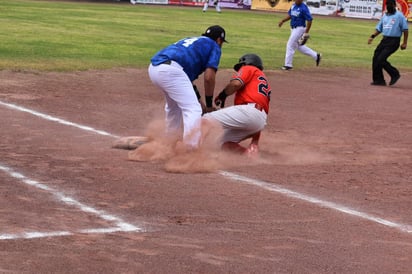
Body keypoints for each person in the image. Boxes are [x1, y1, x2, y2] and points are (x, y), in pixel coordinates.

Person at [148, 25, 227, 149]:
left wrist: (203, 105)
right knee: (193, 109)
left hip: (155, 68)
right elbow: (209, 77)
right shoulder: (214, 46)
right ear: (219, 40)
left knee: (174, 107)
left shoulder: (193, 41)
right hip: (171, 71)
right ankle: (191, 149)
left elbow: (187, 85)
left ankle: (169, 142)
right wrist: (209, 104)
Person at [202, 54, 271, 156]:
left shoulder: (249, 68)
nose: (239, 70)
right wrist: (254, 142)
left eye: (241, 67)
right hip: (258, 121)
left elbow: (236, 84)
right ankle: (248, 153)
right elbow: (256, 118)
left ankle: (190, 151)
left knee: (205, 120)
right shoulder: (260, 81)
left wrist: (222, 95)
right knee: (221, 144)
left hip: (249, 112)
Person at [367, 0, 408, 86]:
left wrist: (404, 43)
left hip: (394, 41)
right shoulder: (385, 16)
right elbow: (379, 29)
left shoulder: (399, 16)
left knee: (381, 59)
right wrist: (372, 36)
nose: (389, 6)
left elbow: (405, 30)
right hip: (384, 40)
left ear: (394, 5)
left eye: (390, 4)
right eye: (387, 5)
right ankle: (379, 80)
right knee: (375, 57)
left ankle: (395, 74)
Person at [278, 0, 321, 70]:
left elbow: (309, 20)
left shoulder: (304, 8)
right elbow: (290, 15)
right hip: (293, 28)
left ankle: (288, 65)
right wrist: (283, 21)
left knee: (290, 44)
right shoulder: (293, 5)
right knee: (299, 46)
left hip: (300, 28)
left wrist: (306, 32)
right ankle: (316, 56)